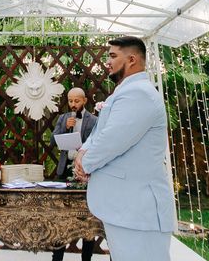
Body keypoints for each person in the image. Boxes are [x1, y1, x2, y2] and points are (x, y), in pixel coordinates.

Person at [73, 36, 175, 261]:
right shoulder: (124, 91)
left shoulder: (140, 94)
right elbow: (100, 131)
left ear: (131, 59)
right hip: (125, 208)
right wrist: (82, 152)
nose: (106, 62)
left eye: (112, 56)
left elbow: (112, 140)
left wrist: (84, 165)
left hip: (138, 210)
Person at [50, 88, 98, 261]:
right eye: (70, 101)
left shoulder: (93, 120)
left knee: (87, 218)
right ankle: (57, 257)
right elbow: (52, 140)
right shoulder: (63, 118)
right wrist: (65, 127)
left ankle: (86, 257)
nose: (73, 104)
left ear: (84, 100)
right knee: (60, 216)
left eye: (76, 101)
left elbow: (97, 142)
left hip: (84, 171)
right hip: (63, 172)